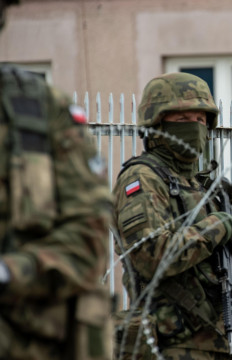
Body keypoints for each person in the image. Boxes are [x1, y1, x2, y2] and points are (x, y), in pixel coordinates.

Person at [112, 72, 232, 360]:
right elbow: (152, 256)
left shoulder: (205, 186)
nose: (194, 128)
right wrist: (219, 227)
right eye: (181, 121)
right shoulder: (142, 178)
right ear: (156, 125)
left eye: (201, 120)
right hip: (167, 343)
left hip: (214, 339)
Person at [0, 1, 113, 359]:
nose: (197, 128)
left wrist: (10, 271)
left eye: (202, 119)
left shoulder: (37, 110)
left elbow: (89, 235)